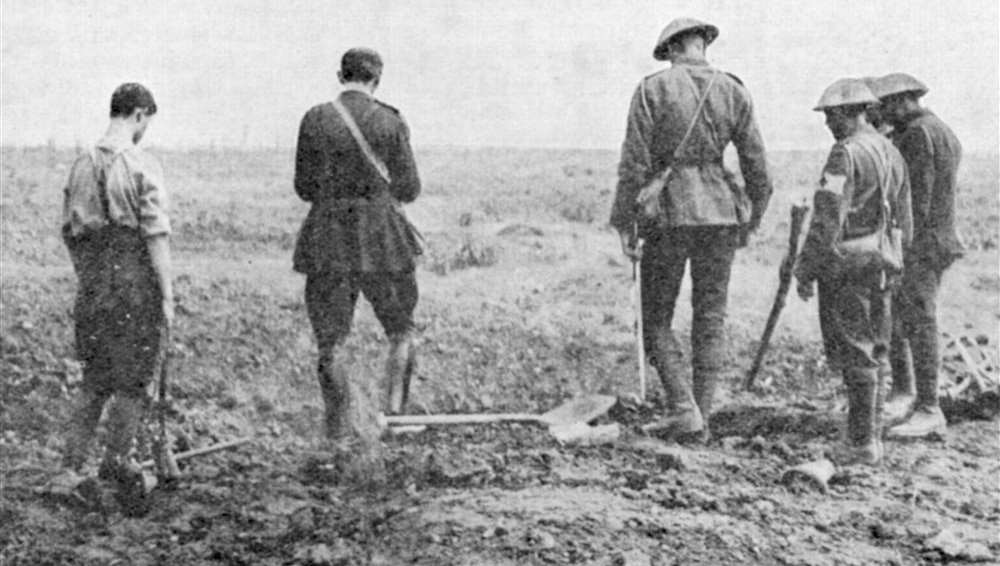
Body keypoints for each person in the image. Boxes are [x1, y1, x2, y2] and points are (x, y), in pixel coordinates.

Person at [610, 17, 772, 441]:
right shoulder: (734, 90)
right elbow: (758, 169)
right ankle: (702, 412)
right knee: (711, 316)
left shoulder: (652, 89)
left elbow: (633, 165)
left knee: (656, 315)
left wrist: (624, 221)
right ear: (702, 44)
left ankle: (684, 409)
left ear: (672, 49)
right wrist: (751, 219)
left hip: (670, 214)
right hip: (721, 214)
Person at [293, 48, 422, 440]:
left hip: (328, 240)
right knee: (401, 330)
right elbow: (410, 187)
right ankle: (395, 418)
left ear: (339, 75)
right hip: (383, 239)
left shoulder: (315, 119)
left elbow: (303, 187)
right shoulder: (390, 120)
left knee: (330, 341)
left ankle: (337, 430)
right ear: (376, 79)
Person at [795, 78, 912, 465]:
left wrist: (806, 268)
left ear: (853, 112)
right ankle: (870, 437)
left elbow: (827, 218)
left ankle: (861, 443)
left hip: (849, 265)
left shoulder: (844, 155)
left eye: (832, 115)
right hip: (883, 262)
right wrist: (895, 259)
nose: (828, 123)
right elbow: (905, 220)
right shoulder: (891, 152)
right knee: (877, 348)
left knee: (857, 350)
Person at [61, 83, 173, 482]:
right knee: (133, 377)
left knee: (95, 377)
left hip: (92, 282)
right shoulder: (143, 165)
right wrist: (167, 295)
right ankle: (117, 460)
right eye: (147, 122)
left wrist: (90, 277)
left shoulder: (80, 164)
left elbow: (70, 233)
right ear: (139, 115)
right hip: (134, 282)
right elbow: (156, 235)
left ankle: (70, 469)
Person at [871, 73, 963, 439]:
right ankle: (910, 395)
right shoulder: (941, 129)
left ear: (904, 100)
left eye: (888, 105)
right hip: (936, 240)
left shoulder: (916, 136)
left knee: (919, 323)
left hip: (921, 244)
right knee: (908, 319)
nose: (885, 112)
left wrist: (899, 246)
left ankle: (928, 407)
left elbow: (915, 201)